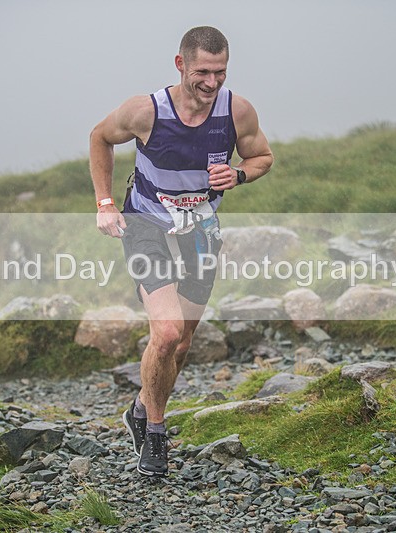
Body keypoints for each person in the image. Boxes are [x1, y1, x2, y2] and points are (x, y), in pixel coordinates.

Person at [89, 26, 273, 477]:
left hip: (200, 230)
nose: (211, 83)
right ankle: (155, 432)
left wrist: (241, 175)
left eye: (220, 73)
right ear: (180, 65)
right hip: (147, 224)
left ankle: (139, 406)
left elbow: (262, 156)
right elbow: (99, 137)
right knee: (167, 333)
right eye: (202, 73)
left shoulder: (237, 111)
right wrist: (105, 203)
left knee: (184, 343)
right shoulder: (146, 110)